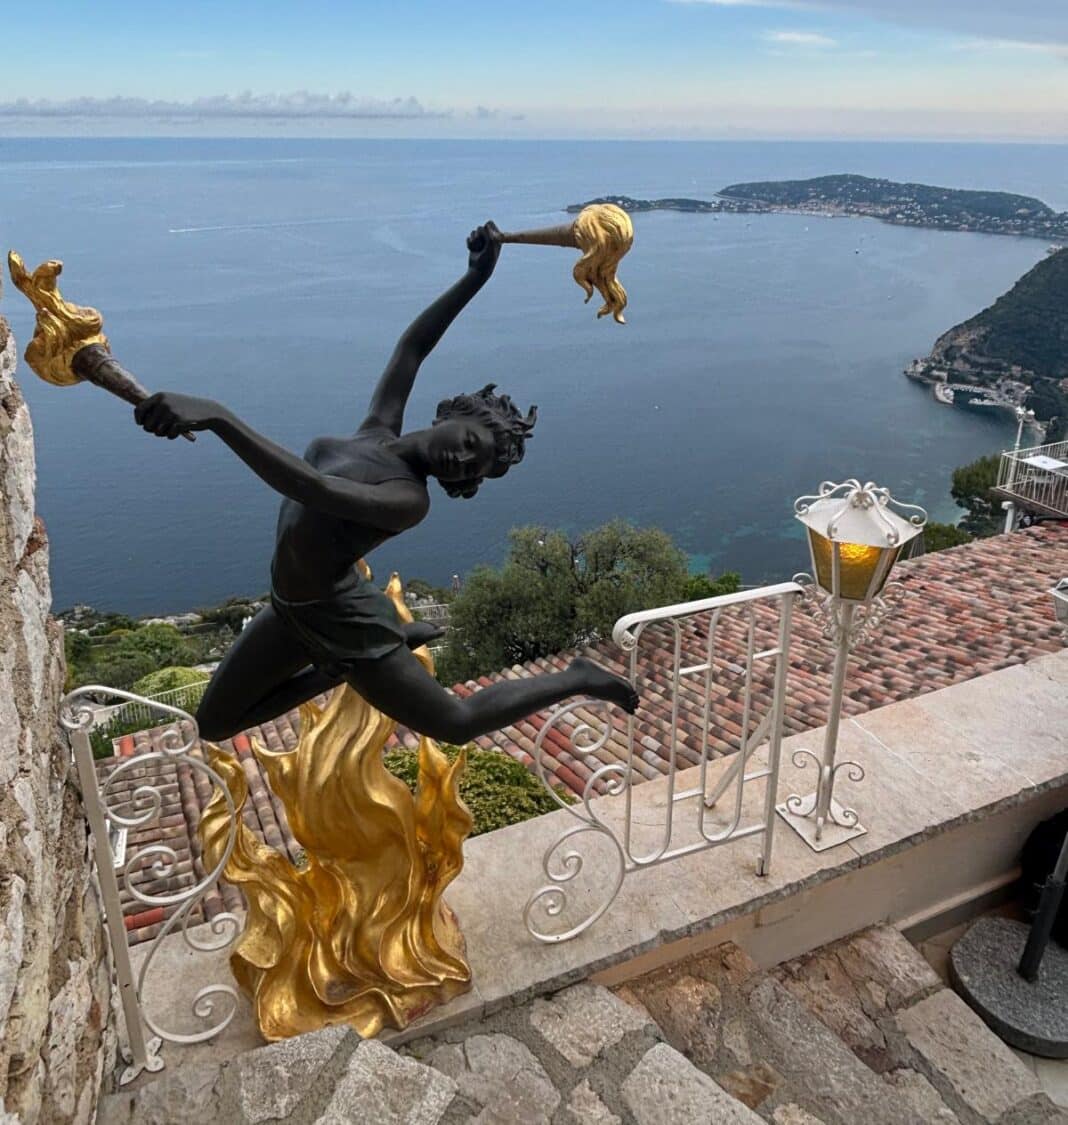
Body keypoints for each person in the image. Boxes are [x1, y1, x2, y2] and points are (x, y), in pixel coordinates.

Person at [135, 223, 639, 744]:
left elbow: (316, 489)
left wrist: (218, 417)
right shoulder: (378, 427)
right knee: (214, 724)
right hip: (291, 606)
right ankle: (335, 669)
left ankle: (576, 676)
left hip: (341, 618)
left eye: (472, 469)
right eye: (471, 443)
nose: (462, 461)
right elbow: (413, 347)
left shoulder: (407, 499)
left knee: (456, 724)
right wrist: (475, 278)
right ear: (454, 411)